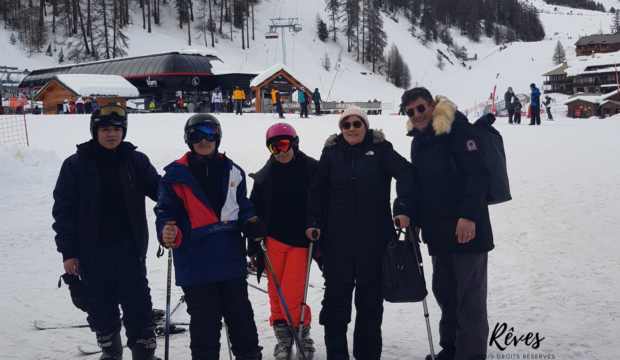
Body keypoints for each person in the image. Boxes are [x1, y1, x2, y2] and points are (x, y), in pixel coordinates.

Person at [52, 105, 162, 360]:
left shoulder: (136, 160)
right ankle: (110, 353)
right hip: (92, 253)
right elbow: (63, 212)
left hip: (130, 250)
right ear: (95, 131)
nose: (111, 134)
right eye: (105, 129)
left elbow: (160, 191)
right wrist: (68, 253)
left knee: (138, 305)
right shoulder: (76, 165)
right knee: (101, 307)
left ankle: (144, 354)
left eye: (116, 129)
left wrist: (183, 190)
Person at [306, 106, 415, 360]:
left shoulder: (381, 150)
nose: (352, 128)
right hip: (337, 243)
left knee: (369, 307)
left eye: (357, 124)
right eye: (346, 125)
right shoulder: (331, 152)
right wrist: (313, 221)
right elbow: (317, 189)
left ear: (366, 126)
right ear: (340, 129)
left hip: (374, 243)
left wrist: (402, 207)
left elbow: (407, 173)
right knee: (335, 308)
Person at [154, 114, 264, 360]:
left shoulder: (234, 171)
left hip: (230, 260)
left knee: (241, 320)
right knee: (206, 325)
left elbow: (242, 206)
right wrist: (166, 231)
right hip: (196, 264)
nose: (204, 140)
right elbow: (165, 213)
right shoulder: (173, 177)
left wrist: (251, 221)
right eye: (196, 135)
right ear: (188, 139)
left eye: (209, 134)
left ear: (218, 137)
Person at [401, 87, 493, 360]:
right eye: (410, 111)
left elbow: (479, 173)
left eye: (420, 108)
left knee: (469, 299)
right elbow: (419, 185)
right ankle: (450, 351)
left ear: (432, 105)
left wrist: (468, 216)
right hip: (438, 233)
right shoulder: (418, 140)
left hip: (468, 231)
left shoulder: (459, 130)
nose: (416, 115)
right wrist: (415, 221)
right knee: (446, 295)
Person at [248, 123, 319, 360]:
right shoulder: (266, 175)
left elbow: (324, 200)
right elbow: (253, 210)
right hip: (272, 241)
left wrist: (316, 224)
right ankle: (283, 339)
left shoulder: (312, 169)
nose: (280, 151)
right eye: (273, 147)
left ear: (295, 143)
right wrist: (252, 243)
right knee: (275, 293)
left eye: (284, 145)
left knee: (292, 294)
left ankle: (303, 335)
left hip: (301, 241)